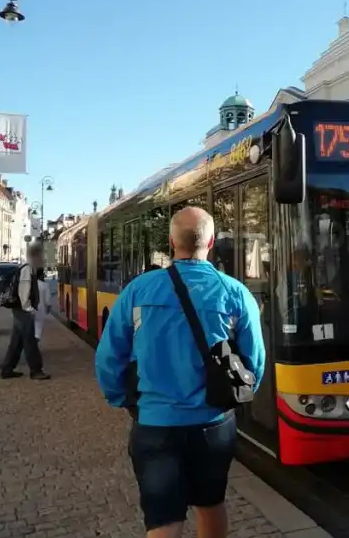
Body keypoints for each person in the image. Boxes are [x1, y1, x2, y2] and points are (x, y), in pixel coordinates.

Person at [95, 207, 266, 538]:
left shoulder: (138, 290)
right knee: (211, 504)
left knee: (164, 520)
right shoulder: (235, 293)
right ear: (211, 242)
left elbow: (108, 357)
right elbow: (254, 363)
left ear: (172, 243)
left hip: (156, 424)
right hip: (214, 425)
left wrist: (123, 399)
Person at [0, 244, 50, 380]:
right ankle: (36, 370)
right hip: (23, 311)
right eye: (42, 256)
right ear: (36, 256)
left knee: (17, 341)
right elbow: (24, 291)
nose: (43, 259)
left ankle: (7, 369)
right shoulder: (27, 270)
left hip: (20, 310)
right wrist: (29, 309)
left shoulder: (29, 269)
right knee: (30, 341)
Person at [34, 266, 51, 343]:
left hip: (29, 310)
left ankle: (31, 346)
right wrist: (48, 308)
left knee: (31, 328)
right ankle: (34, 345)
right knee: (38, 330)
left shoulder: (29, 283)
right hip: (40, 310)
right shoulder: (44, 285)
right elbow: (48, 300)